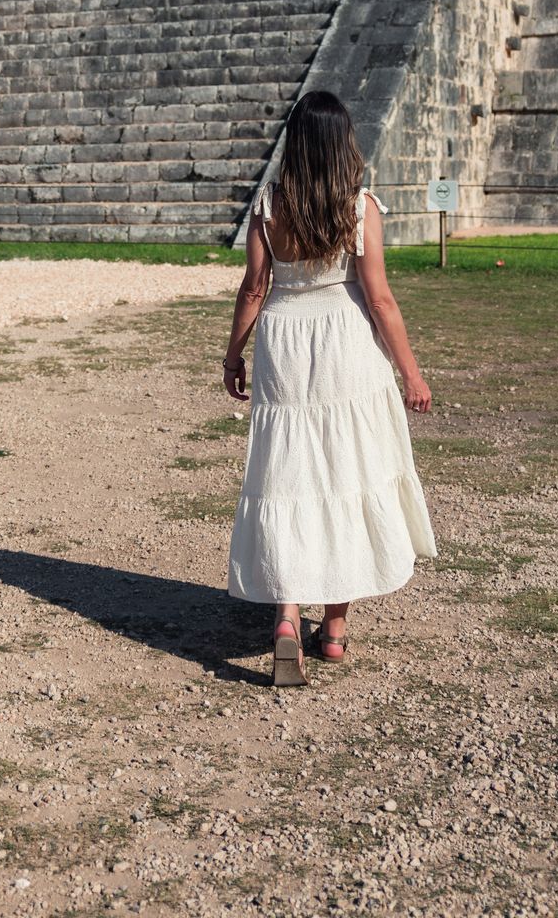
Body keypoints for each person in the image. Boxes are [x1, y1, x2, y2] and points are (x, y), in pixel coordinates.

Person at [222, 90, 436, 686]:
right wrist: (411, 373)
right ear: (342, 141)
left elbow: (254, 289)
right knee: (346, 472)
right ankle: (334, 630)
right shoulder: (360, 206)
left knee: (287, 475)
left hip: (286, 344)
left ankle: (287, 618)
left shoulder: (270, 203)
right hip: (345, 345)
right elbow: (381, 299)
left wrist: (233, 354)